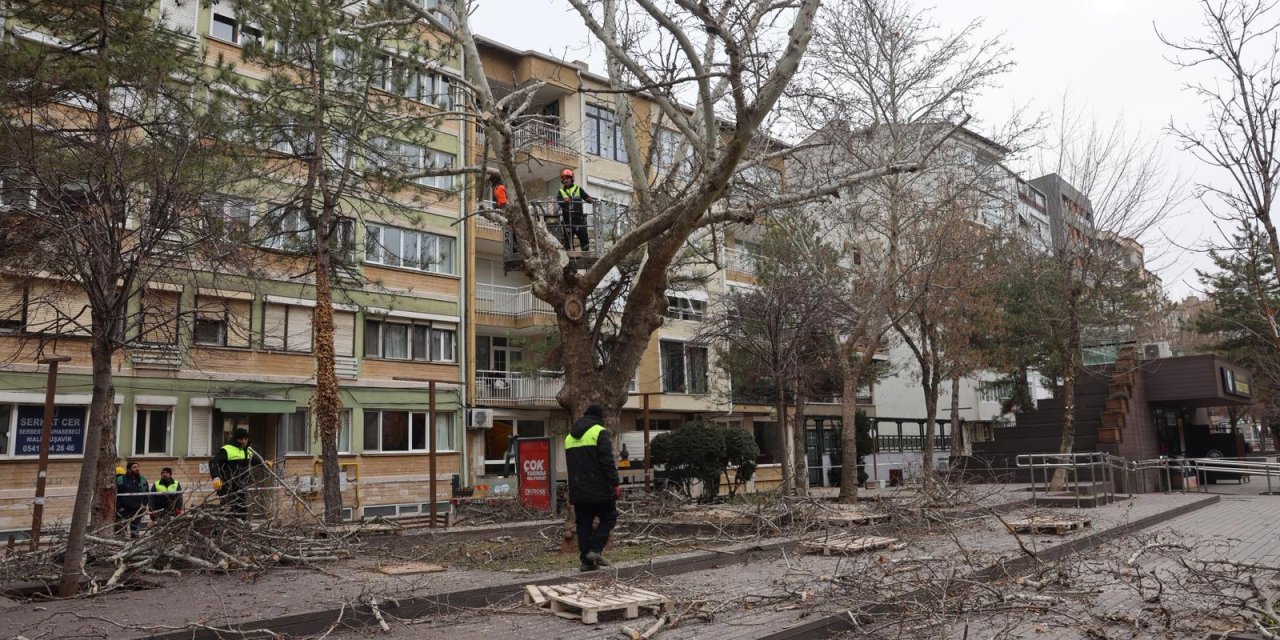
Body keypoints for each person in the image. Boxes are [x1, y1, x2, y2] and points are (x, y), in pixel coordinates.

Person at [565, 404, 620, 572]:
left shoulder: (569, 436)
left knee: (584, 524)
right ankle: (595, 550)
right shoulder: (598, 432)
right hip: (599, 488)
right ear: (599, 417)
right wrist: (615, 483)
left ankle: (586, 562)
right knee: (610, 516)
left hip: (578, 489)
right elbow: (607, 461)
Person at [209, 427, 265, 520]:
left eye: (246, 439)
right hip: (227, 486)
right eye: (242, 439)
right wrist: (216, 477)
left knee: (242, 509)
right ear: (237, 439)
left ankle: (241, 530)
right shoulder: (226, 449)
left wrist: (264, 462)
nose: (244, 441)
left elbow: (253, 460)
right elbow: (213, 462)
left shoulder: (248, 450)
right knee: (229, 511)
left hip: (241, 485)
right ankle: (224, 531)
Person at [555, 169, 598, 251]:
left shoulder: (578, 189)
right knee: (568, 241)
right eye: (564, 179)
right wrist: (564, 201)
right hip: (567, 220)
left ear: (571, 179)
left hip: (579, 220)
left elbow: (585, 197)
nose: (565, 180)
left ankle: (586, 255)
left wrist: (590, 200)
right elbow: (559, 202)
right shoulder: (561, 191)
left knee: (584, 239)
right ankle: (570, 257)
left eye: (567, 178)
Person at [115, 461, 149, 538]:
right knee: (121, 530)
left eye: (137, 467)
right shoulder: (121, 480)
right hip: (124, 510)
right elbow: (116, 494)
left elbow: (146, 492)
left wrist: (144, 504)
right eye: (134, 467)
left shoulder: (142, 479)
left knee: (135, 530)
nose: (137, 469)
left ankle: (134, 545)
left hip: (137, 509)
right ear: (128, 469)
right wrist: (119, 507)